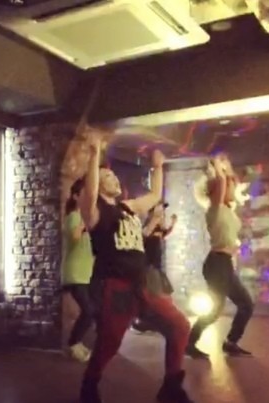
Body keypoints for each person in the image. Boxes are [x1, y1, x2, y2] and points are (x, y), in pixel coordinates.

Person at [79, 129, 192, 403]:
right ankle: (89, 386)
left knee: (179, 325)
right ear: (98, 184)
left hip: (142, 282)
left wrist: (158, 167)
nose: (115, 178)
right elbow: (90, 191)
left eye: (114, 175)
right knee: (110, 342)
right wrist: (94, 154)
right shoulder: (95, 212)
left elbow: (153, 195)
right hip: (114, 285)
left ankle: (171, 388)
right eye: (108, 177)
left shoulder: (127, 208)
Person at [186, 154, 254, 359]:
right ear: (219, 191)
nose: (234, 188)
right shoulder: (214, 209)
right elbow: (222, 181)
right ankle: (188, 343)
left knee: (246, 304)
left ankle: (231, 342)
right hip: (216, 264)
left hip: (225, 264)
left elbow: (228, 180)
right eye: (229, 187)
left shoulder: (228, 209)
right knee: (215, 310)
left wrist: (228, 168)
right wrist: (217, 164)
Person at [62, 177, 95, 362]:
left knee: (92, 311)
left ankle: (76, 342)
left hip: (86, 272)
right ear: (75, 196)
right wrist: (84, 223)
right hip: (75, 273)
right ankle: (73, 344)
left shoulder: (81, 217)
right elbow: (75, 237)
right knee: (88, 311)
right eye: (84, 193)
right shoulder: (73, 216)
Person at [131, 202, 177, 334]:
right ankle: (148, 321)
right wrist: (155, 219)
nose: (162, 216)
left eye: (162, 214)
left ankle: (152, 321)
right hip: (150, 267)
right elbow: (144, 235)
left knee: (160, 294)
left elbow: (165, 232)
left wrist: (173, 223)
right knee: (155, 295)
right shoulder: (148, 227)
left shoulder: (158, 229)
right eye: (160, 213)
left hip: (156, 266)